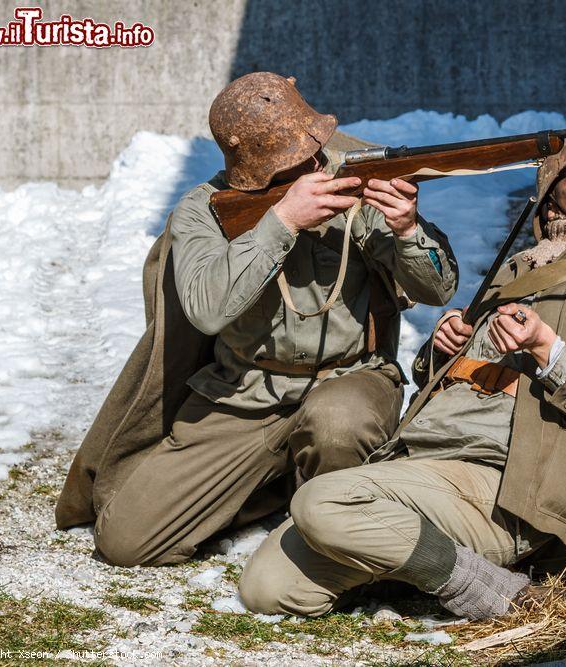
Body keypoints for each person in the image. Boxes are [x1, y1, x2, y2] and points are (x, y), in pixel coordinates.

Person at [238, 134, 566, 619]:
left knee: (320, 500)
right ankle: (415, 564)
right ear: (549, 207)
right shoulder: (513, 275)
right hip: (423, 463)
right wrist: (442, 348)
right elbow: (448, 383)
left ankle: (492, 590)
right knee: (266, 588)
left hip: (507, 484)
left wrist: (547, 349)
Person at [54, 72, 458, 567]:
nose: (314, 163)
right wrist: (282, 223)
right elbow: (206, 310)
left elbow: (437, 290)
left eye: (314, 148)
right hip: (244, 392)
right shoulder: (203, 211)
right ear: (255, 167)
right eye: (294, 159)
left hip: (349, 381)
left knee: (336, 425)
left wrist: (407, 228)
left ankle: (335, 530)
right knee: (125, 540)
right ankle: (277, 485)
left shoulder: (357, 180)